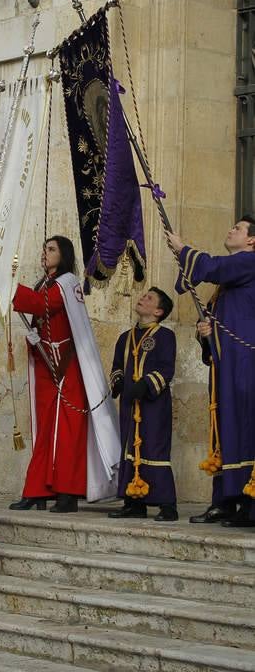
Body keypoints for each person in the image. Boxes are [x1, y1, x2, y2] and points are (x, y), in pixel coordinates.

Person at [9, 235, 120, 513]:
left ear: (64, 254)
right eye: (44, 248)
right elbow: (40, 310)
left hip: (68, 367)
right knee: (45, 430)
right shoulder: (44, 283)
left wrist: (7, 284)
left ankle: (68, 493)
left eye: (51, 249)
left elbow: (40, 305)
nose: (45, 253)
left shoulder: (67, 283)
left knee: (68, 432)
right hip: (47, 365)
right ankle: (36, 491)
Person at [167, 216, 255, 527]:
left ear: (251, 241)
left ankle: (249, 501)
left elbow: (215, 267)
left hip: (245, 365)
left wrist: (183, 250)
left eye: (239, 228)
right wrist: (206, 334)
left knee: (244, 427)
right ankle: (226, 499)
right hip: (226, 366)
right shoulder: (228, 283)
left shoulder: (249, 261)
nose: (231, 229)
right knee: (225, 428)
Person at [107, 288, 178, 521]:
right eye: (143, 295)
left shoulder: (165, 336)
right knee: (130, 448)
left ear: (158, 311)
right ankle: (133, 502)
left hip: (154, 404)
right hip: (129, 403)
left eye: (149, 298)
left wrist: (146, 385)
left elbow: (166, 369)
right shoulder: (124, 338)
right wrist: (117, 382)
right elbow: (117, 366)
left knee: (154, 447)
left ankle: (167, 504)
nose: (142, 298)